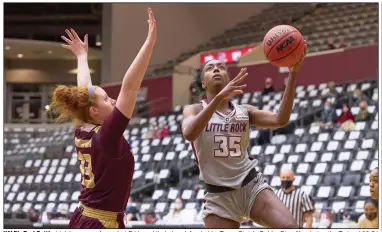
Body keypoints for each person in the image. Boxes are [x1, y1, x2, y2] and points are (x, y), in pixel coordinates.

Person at [181, 40, 308, 228]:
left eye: (221, 67)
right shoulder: (193, 110)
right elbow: (190, 134)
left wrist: (293, 73)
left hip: (251, 187)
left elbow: (280, 119)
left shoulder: (244, 111)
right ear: (203, 83)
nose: (216, 69)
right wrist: (217, 99)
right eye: (210, 68)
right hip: (218, 196)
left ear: (228, 77)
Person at [50, 8, 157, 229]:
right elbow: (130, 88)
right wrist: (149, 44)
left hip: (84, 217)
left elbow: (84, 91)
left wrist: (81, 57)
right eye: (108, 99)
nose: (115, 100)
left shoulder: (83, 126)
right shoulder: (106, 136)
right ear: (95, 112)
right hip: (101, 222)